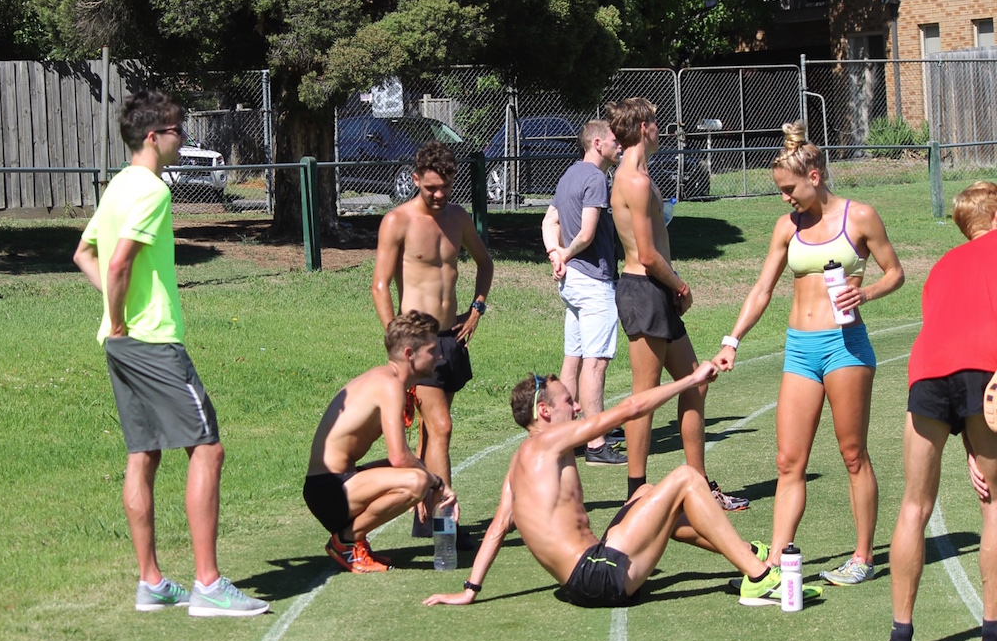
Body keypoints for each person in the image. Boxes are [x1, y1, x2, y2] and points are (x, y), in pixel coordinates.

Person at [73, 90, 269, 617]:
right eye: (179, 131)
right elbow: (114, 265)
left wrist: (116, 320)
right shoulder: (152, 191)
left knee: (144, 454)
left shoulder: (117, 185)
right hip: (152, 342)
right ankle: (208, 586)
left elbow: (82, 253)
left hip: (123, 345)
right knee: (207, 449)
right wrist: (120, 316)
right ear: (154, 138)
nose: (185, 139)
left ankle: (152, 583)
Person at [422, 366, 809, 608]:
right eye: (569, 402)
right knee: (687, 477)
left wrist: (470, 588)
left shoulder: (518, 463)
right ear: (544, 411)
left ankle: (744, 552)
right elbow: (628, 410)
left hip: (585, 579)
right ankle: (759, 578)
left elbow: (495, 530)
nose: (575, 409)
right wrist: (689, 381)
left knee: (646, 495)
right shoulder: (549, 441)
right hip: (599, 576)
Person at [712, 121, 904, 585]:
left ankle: (862, 557)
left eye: (789, 189)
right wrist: (731, 340)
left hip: (846, 348)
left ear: (814, 176)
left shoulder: (859, 217)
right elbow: (762, 288)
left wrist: (867, 294)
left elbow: (896, 272)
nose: (785, 198)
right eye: (780, 191)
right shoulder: (786, 226)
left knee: (853, 453)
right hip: (800, 349)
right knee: (787, 461)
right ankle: (776, 562)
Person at [606, 97, 746, 511]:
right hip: (644, 289)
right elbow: (647, 254)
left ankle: (698, 484)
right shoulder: (635, 180)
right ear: (644, 127)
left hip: (654, 289)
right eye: (656, 122)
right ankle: (635, 493)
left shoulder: (640, 175)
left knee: (696, 380)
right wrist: (680, 287)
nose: (660, 129)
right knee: (645, 396)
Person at [879, 181, 997, 641]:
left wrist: (971, 444)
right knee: (993, 505)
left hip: (926, 372)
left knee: (914, 505)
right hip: (985, 370)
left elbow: (948, 345)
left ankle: (900, 638)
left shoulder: (943, 267)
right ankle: (992, 634)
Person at [372, 140, 494, 543]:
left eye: (445, 187)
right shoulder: (398, 221)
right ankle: (446, 525)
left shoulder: (458, 218)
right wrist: (399, 344)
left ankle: (423, 519)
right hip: (417, 345)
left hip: (451, 339)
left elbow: (484, 262)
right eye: (430, 188)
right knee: (441, 426)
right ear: (415, 180)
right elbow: (379, 286)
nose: (439, 195)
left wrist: (477, 307)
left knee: (430, 432)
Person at [305, 311, 459, 573]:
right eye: (432, 351)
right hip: (329, 491)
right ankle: (346, 542)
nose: (440, 357)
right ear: (409, 353)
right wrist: (436, 483)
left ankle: (352, 540)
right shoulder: (389, 385)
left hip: (338, 483)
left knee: (416, 471)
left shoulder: (386, 379)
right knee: (417, 480)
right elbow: (399, 457)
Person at [540, 119, 626, 467]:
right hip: (592, 282)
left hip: (571, 282)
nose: (619, 145)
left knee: (572, 360)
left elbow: (548, 223)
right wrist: (566, 253)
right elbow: (587, 234)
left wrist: (554, 254)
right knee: (596, 363)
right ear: (596, 143)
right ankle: (595, 443)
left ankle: (567, 435)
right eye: (614, 140)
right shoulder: (594, 178)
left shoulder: (569, 174)